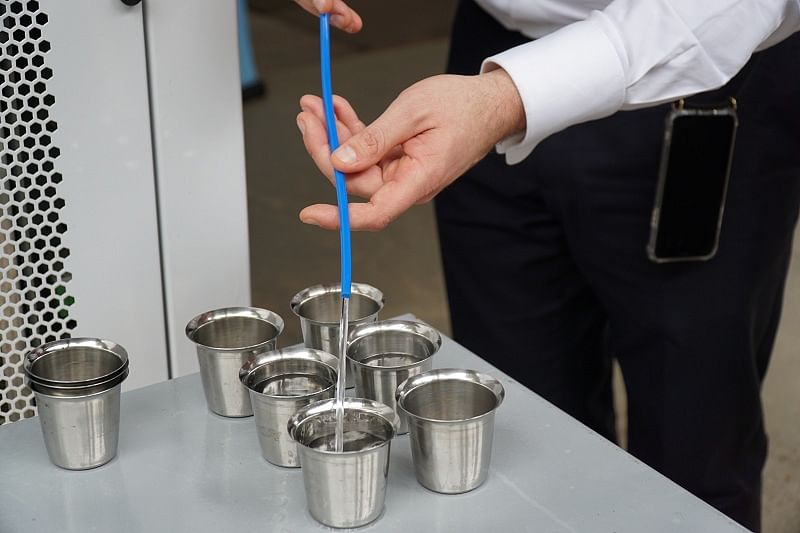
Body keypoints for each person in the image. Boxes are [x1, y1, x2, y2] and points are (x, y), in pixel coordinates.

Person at [294, 1, 800, 530]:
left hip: (693, 72)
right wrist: (497, 95)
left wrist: (509, 97)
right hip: (483, 63)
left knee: (691, 462)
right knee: (520, 445)